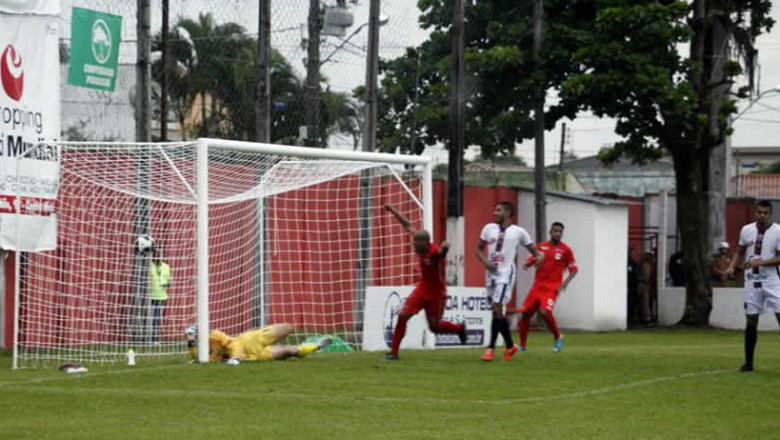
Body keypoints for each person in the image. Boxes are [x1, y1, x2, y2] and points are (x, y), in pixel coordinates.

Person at [384, 204, 467, 360]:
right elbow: (407, 225)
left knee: (434, 328)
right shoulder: (421, 241)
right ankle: (393, 353)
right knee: (403, 315)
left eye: (415, 243)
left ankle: (459, 328)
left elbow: (441, 254)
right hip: (423, 288)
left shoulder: (433, 252)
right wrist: (393, 210)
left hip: (436, 293)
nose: (413, 245)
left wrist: (445, 248)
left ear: (425, 243)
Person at [476, 201, 543, 362]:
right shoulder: (488, 229)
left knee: (497, 307)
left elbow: (537, 253)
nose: (495, 212)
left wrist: (534, 261)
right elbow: (478, 249)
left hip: (506, 273)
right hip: (491, 274)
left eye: (498, 210)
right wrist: (486, 263)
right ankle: (510, 346)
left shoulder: (519, 232)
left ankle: (490, 349)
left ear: (507, 213)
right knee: (496, 311)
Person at [726, 200, 780, 372]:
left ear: (770, 214)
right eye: (759, 212)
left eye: (765, 213)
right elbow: (740, 251)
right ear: (755, 213)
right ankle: (748, 362)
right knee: (751, 319)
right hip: (752, 281)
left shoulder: (778, 231)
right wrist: (732, 266)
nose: (762, 215)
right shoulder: (746, 230)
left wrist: (760, 262)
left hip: (772, 281)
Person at [517, 222, 578, 353]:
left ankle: (557, 336)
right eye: (555, 231)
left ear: (562, 233)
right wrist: (527, 264)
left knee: (545, 312)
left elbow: (574, 269)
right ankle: (522, 346)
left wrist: (564, 283)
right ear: (550, 232)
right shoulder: (541, 247)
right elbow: (532, 259)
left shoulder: (565, 250)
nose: (557, 233)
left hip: (552, 287)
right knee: (525, 314)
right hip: (537, 286)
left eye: (560, 231)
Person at [186, 324, 332, 364]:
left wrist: (236, 357)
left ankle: (264, 330)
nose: (198, 339)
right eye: (195, 338)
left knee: (288, 327)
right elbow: (198, 357)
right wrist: (190, 343)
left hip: (252, 339)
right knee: (290, 351)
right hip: (256, 355)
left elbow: (234, 345)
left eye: (196, 335)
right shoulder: (209, 357)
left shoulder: (215, 336)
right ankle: (316, 346)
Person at [149, 247, 172, 343]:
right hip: (150, 297)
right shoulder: (149, 266)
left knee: (156, 319)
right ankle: (147, 338)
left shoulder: (166, 267)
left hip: (161, 296)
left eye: (160, 254)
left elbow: (169, 281)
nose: (158, 256)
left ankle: (153, 339)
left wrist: (167, 284)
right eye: (156, 254)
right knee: (149, 319)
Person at [627, 247, 640, 326]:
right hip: (629, 285)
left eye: (634, 253)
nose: (633, 255)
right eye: (631, 253)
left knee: (634, 302)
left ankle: (632, 318)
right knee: (628, 302)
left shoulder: (635, 264)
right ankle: (628, 318)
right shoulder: (627, 263)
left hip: (634, 286)